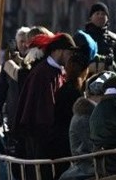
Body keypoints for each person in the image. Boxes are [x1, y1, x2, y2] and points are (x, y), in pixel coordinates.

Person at [12, 32, 77, 161]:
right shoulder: (43, 74)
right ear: (59, 51)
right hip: (40, 142)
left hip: (47, 139)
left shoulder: (54, 71)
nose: (71, 57)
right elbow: (42, 114)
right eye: (69, 53)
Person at [82, 2, 116, 74]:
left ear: (107, 18)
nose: (100, 16)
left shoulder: (114, 40)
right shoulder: (82, 37)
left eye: (103, 14)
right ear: (91, 17)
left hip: (109, 80)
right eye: (97, 13)